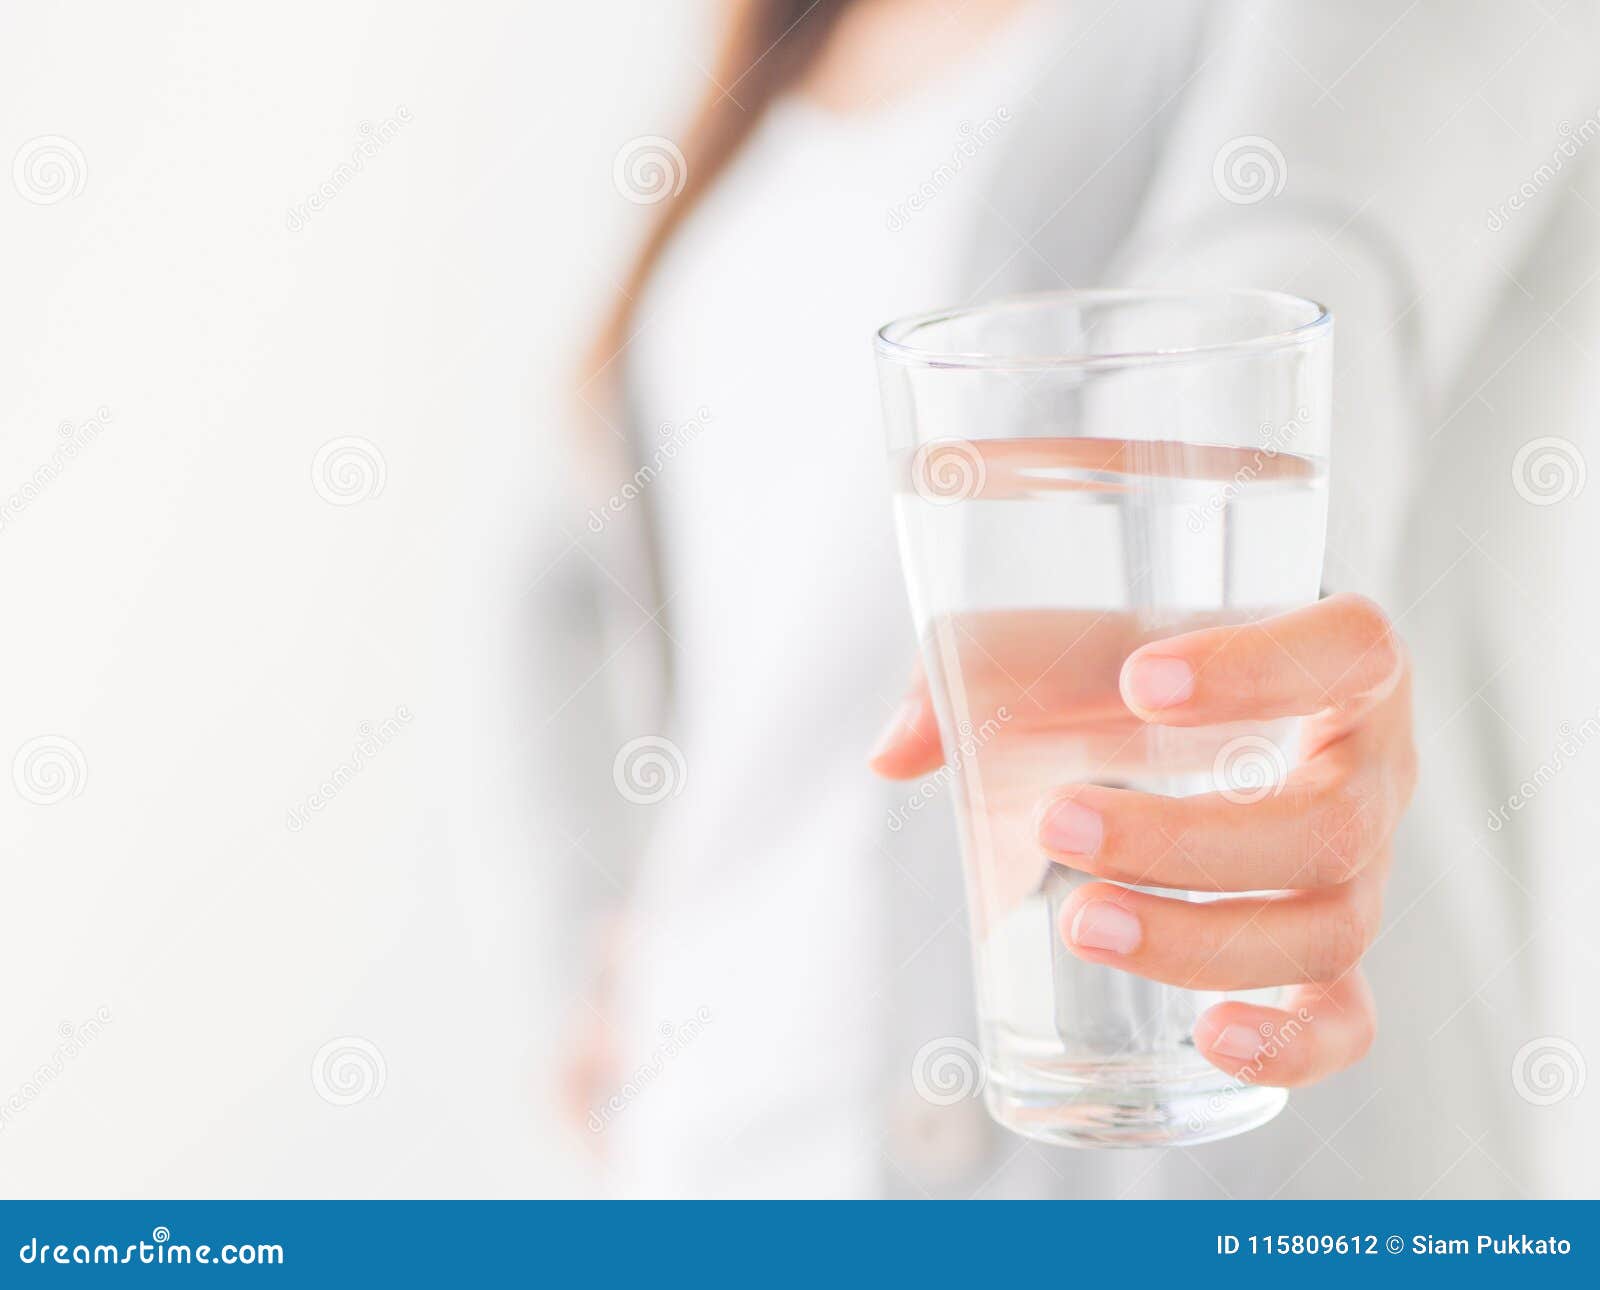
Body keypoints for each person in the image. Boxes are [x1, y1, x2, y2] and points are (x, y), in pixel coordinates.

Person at [553, 0, 1600, 1197]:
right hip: (713, 1175)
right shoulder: (777, 44)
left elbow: (1289, 261)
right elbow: (565, 571)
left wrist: (1257, 644)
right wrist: (599, 950)